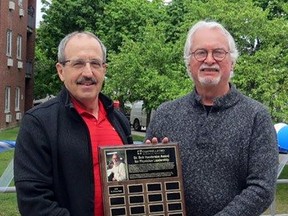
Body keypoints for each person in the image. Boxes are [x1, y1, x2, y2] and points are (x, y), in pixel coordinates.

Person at [145, 20, 279, 216]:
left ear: (232, 61)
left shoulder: (256, 116)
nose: (209, 60)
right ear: (189, 62)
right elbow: (146, 184)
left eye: (218, 52)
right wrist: (148, 167)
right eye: (200, 53)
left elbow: (262, 188)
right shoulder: (165, 114)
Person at [14, 31, 133, 216]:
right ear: (61, 71)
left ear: (104, 70)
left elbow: (128, 183)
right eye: (78, 64)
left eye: (95, 63)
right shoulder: (38, 123)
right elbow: (33, 202)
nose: (88, 73)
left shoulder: (119, 121)